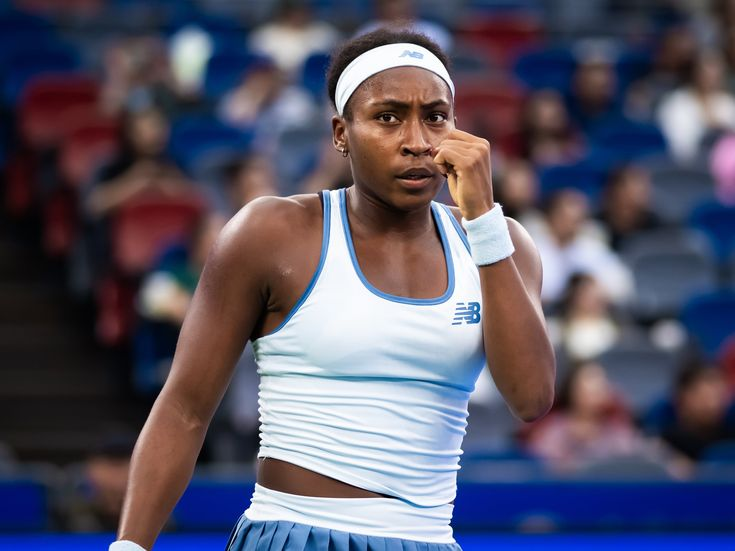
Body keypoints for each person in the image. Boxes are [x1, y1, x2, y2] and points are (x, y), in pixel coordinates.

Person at [111, 28, 555, 551]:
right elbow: (184, 409)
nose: (417, 140)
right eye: (388, 117)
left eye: (435, 117)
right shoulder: (270, 233)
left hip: (430, 540)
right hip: (292, 535)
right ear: (341, 134)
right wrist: (129, 547)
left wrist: (483, 221)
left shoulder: (502, 244)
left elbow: (531, 398)